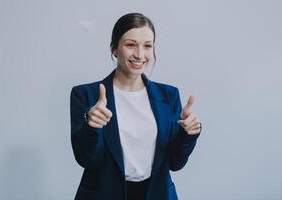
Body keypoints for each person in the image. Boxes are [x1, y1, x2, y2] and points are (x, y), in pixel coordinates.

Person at [70, 12, 202, 200]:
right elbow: (88, 159)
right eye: (130, 45)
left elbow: (175, 162)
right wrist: (91, 126)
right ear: (114, 49)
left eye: (147, 46)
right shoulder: (85, 95)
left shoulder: (169, 95)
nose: (139, 54)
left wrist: (189, 133)